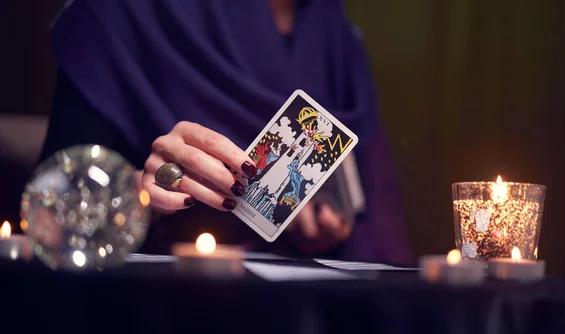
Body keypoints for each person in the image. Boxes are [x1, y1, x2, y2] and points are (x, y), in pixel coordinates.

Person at [41, 0, 411, 263]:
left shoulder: (338, 36)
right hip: (155, 319)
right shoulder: (121, 15)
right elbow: (51, 217)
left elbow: (379, 225)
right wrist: (135, 194)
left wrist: (328, 230)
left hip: (310, 329)